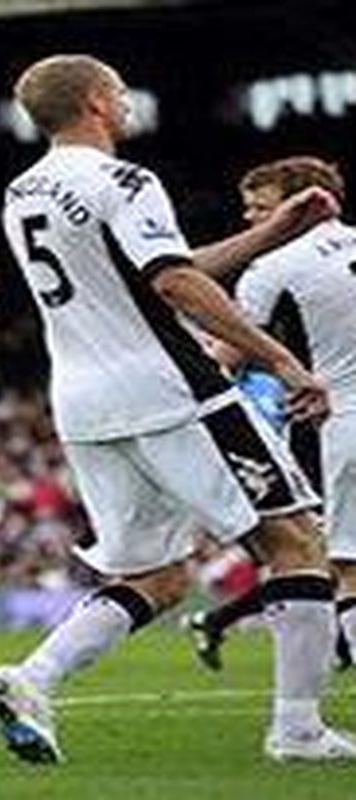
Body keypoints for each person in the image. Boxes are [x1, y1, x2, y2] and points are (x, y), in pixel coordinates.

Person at [0, 54, 354, 765]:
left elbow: (152, 272)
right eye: (119, 92)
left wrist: (272, 233)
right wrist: (278, 359)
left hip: (84, 403)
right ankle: (299, 729)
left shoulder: (21, 192)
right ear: (95, 101)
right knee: (296, 543)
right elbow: (174, 283)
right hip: (173, 392)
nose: (126, 103)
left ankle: (33, 678)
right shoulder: (126, 179)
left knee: (157, 577)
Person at [185, 156, 355, 672]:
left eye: (260, 208)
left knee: (347, 571)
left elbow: (225, 361)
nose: (249, 220)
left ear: (299, 207)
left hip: (347, 417)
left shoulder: (273, 268)